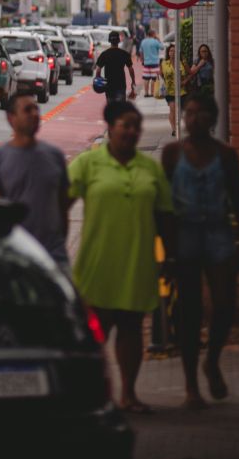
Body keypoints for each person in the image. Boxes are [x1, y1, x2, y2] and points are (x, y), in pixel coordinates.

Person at [68, 100, 174, 415]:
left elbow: (165, 217)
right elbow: (60, 203)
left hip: (137, 262)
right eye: (125, 125)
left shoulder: (150, 168)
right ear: (111, 128)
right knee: (94, 335)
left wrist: (170, 257)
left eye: (135, 127)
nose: (131, 132)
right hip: (97, 263)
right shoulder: (87, 164)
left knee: (130, 330)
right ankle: (93, 395)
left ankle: (128, 394)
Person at [161, 95, 239, 410]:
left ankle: (212, 360)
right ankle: (191, 386)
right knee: (189, 311)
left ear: (213, 118)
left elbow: (238, 199)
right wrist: (167, 250)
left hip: (218, 232)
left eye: (201, 113)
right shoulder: (172, 154)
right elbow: (164, 205)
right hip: (184, 236)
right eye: (189, 113)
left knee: (225, 303)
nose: (194, 118)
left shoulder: (225, 155)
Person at [0, 91, 72, 271]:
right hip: (15, 258)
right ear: (11, 118)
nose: (35, 114)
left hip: (54, 257)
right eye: (27, 110)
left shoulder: (55, 156)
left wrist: (59, 243)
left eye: (36, 109)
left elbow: (63, 207)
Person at [94, 31, 136, 102]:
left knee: (111, 105)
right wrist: (133, 81)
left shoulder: (104, 54)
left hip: (109, 86)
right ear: (119, 41)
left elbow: (98, 70)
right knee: (121, 106)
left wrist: (98, 80)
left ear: (109, 41)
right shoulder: (124, 54)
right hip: (121, 85)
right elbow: (131, 69)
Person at [159, 44, 187, 137]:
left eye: (175, 51)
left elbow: (189, 74)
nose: (173, 52)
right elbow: (161, 76)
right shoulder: (164, 63)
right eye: (171, 51)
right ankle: (174, 129)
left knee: (179, 110)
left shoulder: (181, 63)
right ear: (168, 52)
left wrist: (185, 81)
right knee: (172, 108)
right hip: (169, 90)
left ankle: (178, 126)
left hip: (181, 90)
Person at [139, 30, 163, 97]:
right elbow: (162, 47)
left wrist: (142, 60)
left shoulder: (143, 41)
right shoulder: (155, 41)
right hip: (154, 63)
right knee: (154, 78)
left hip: (146, 63)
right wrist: (158, 40)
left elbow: (140, 52)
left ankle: (146, 93)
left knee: (146, 79)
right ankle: (152, 93)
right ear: (153, 34)